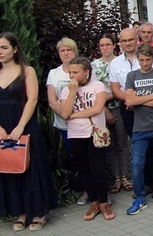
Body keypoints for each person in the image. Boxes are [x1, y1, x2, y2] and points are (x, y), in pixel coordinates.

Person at [0, 32, 56, 231]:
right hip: (3, 129)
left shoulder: (27, 71)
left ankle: (38, 212)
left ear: (15, 49)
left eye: (4, 48)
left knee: (31, 168)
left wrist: (20, 127)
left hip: (25, 126)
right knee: (10, 168)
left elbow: (32, 100)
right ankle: (20, 212)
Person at [60, 57, 114, 221]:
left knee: (97, 169)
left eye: (75, 73)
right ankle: (94, 202)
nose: (72, 76)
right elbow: (63, 113)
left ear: (86, 72)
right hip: (76, 134)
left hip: (94, 133)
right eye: (70, 73)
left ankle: (104, 202)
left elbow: (98, 109)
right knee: (85, 169)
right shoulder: (66, 90)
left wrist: (74, 115)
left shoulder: (97, 86)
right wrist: (72, 92)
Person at [124, 44, 153, 215]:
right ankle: (140, 197)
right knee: (136, 165)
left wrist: (139, 98)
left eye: (148, 60)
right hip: (140, 128)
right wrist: (152, 95)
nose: (144, 63)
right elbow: (129, 102)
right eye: (141, 60)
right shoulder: (131, 76)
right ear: (137, 59)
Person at [92, 34, 131, 195]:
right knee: (110, 145)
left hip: (120, 106)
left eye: (108, 44)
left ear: (114, 45)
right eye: (102, 45)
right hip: (102, 110)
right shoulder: (94, 66)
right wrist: (105, 108)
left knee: (123, 143)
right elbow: (93, 90)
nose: (105, 48)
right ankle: (116, 177)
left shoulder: (119, 62)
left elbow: (122, 86)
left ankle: (125, 176)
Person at [46, 37, 77, 149]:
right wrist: (65, 115)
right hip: (64, 124)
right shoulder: (54, 73)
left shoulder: (85, 70)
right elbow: (52, 100)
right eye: (62, 50)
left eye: (69, 50)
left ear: (75, 51)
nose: (66, 53)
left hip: (82, 123)